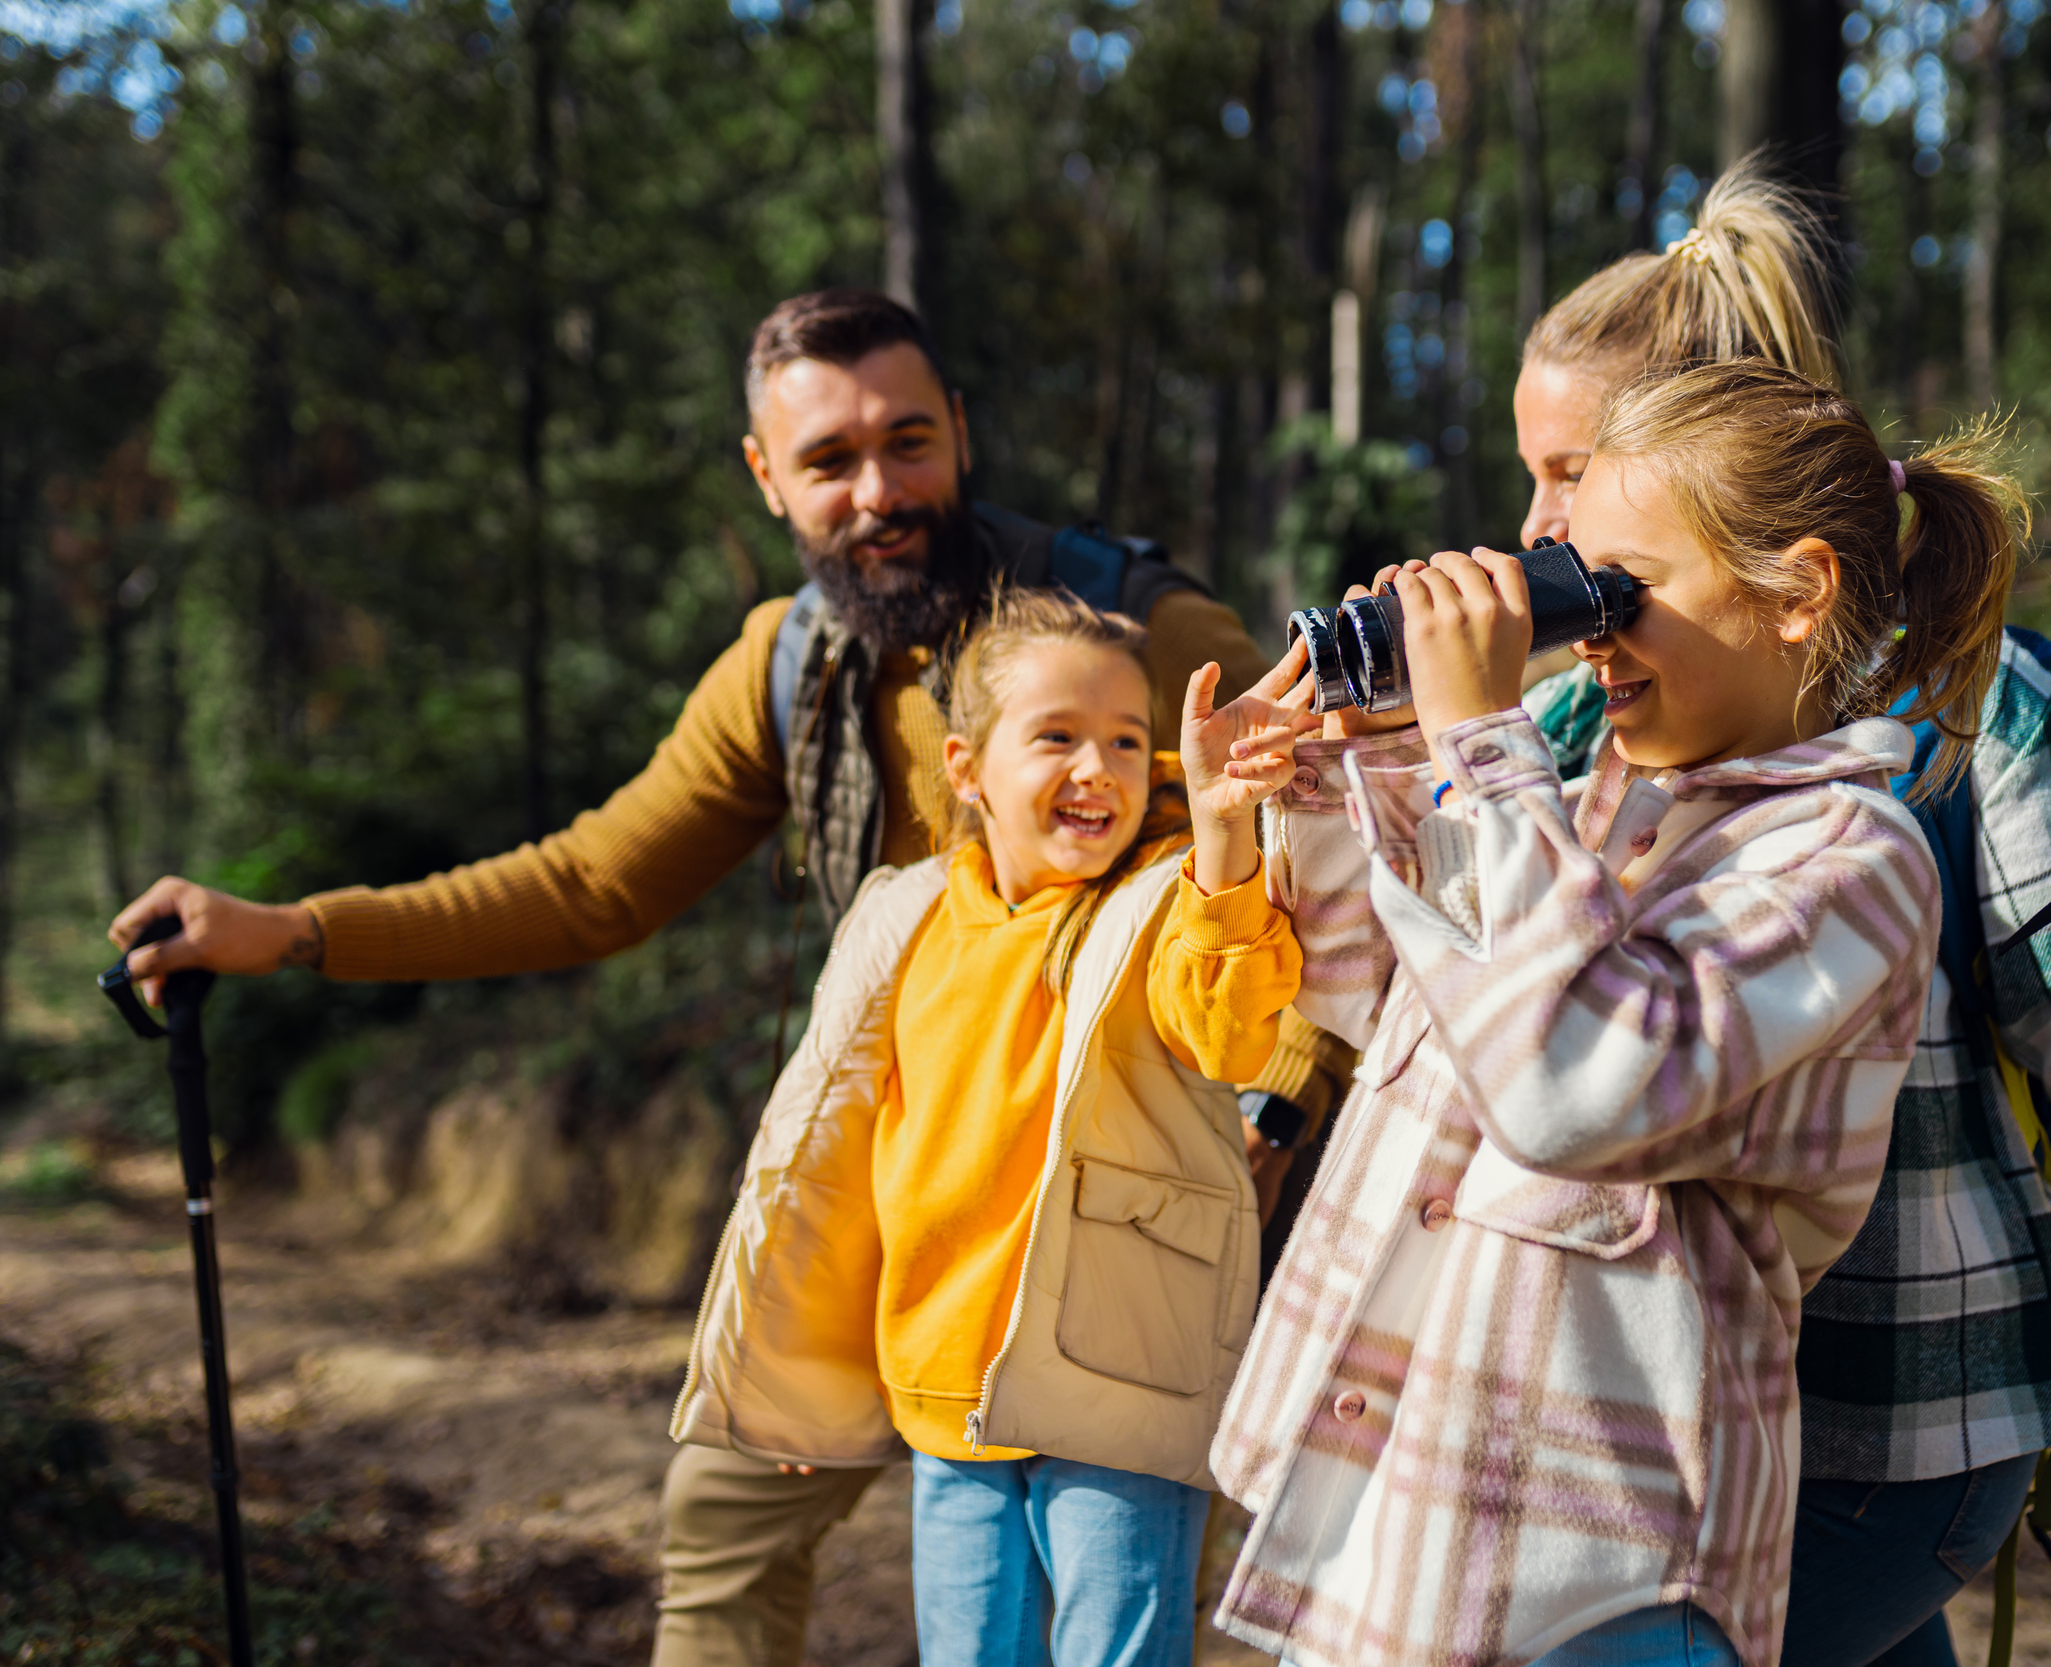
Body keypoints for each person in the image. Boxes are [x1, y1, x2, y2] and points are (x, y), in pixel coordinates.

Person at [105, 287, 1354, 1667]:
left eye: (910, 440)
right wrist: (286, 928)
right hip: (905, 1210)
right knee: (725, 1520)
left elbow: (1344, 874)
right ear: (768, 477)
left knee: (1130, 1600)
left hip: (1111, 1223)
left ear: (962, 435)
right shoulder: (787, 660)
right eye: (830, 459)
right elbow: (592, 881)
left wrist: (1281, 1118)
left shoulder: (1136, 634)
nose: (880, 490)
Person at [1503, 167, 2051, 1667]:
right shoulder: (1573, 719)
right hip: (1664, 1408)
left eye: (1570, 478)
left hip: (1889, 1414)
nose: (1535, 525)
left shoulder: (1966, 703)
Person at [1211, 360, 2027, 1667]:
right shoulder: (1582, 803)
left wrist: (1481, 737)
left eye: (1624, 590)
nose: (1589, 632)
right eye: (1579, 586)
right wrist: (1339, 767)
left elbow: (1571, 1085)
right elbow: (1385, 998)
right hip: (1411, 1510)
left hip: (1597, 1563)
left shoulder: (1849, 859)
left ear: (1796, 595)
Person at [674, 585, 1314, 1667]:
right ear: (967, 767)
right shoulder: (908, 916)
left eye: (1124, 739)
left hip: (1119, 1379)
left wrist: (1219, 828)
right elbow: (823, 1160)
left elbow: (1228, 1032)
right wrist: (792, 1378)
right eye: (1055, 736)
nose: (1097, 768)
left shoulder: (1160, 900)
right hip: (945, 1391)